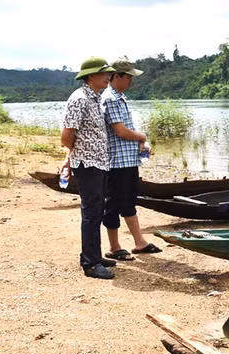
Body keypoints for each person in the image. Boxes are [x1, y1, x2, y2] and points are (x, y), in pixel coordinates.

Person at [60, 57, 116, 280]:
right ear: (91, 75)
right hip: (87, 164)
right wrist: (75, 156)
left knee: (97, 211)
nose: (108, 77)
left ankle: (95, 254)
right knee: (91, 213)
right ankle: (90, 263)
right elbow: (66, 136)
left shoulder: (96, 98)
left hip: (99, 162)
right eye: (105, 74)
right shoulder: (79, 99)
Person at [101, 56, 162, 260]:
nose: (131, 81)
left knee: (128, 202)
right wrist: (142, 136)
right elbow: (120, 131)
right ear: (116, 76)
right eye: (128, 77)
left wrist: (141, 144)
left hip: (128, 161)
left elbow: (126, 131)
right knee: (113, 204)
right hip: (117, 163)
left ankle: (139, 242)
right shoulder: (110, 98)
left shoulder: (119, 97)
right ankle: (114, 247)